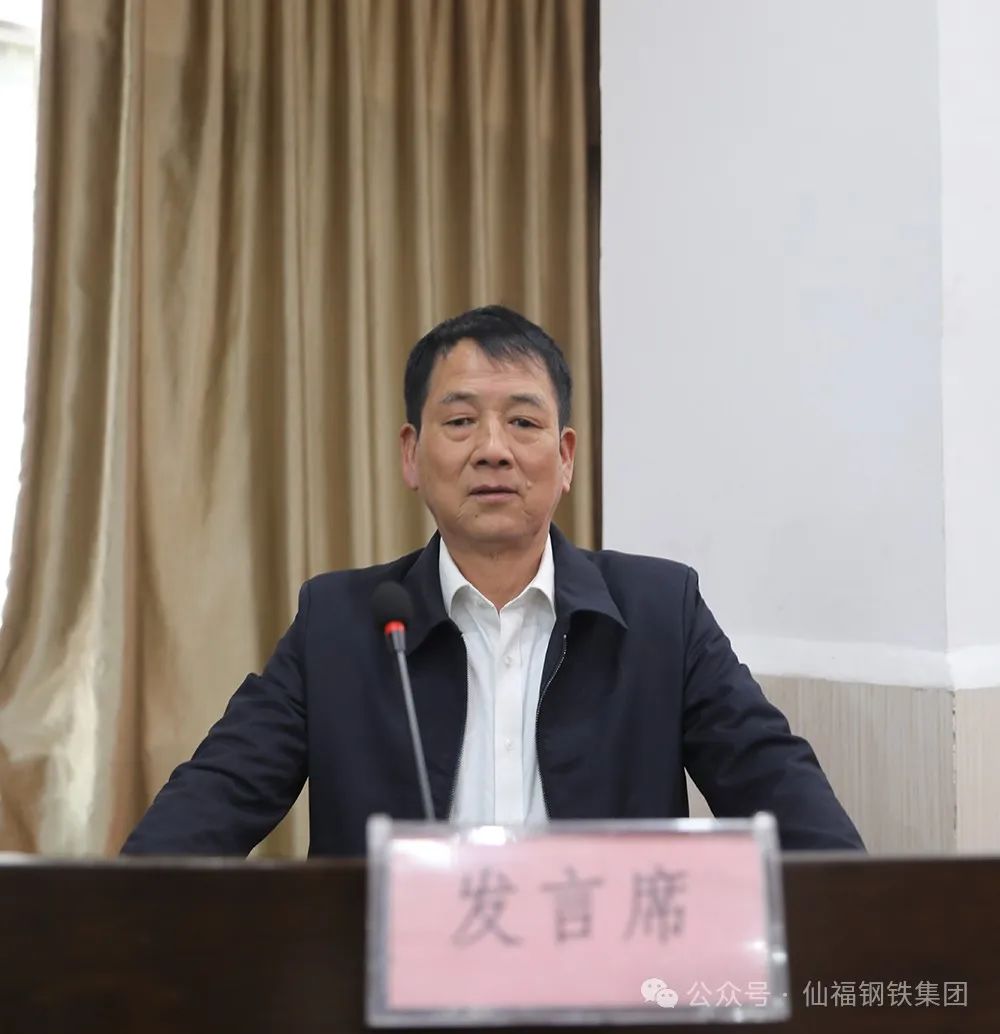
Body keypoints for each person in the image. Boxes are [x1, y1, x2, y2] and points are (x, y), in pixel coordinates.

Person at [122, 305, 863, 856]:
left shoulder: (659, 612)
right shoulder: (343, 624)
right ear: (411, 455)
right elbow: (216, 797)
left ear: (565, 458)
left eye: (524, 423)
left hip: (600, 987)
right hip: (402, 994)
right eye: (459, 423)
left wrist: (865, 920)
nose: (493, 450)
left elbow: (777, 786)